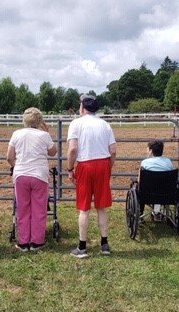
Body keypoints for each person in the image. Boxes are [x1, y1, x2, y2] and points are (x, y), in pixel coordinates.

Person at [67, 94, 116, 258]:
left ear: (82, 106)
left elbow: (73, 149)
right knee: (101, 206)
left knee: (84, 207)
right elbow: (113, 150)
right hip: (103, 164)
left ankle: (82, 247)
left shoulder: (76, 124)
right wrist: (109, 167)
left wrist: (69, 169)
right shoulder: (105, 125)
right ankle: (104, 244)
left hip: (85, 165)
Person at [6, 107, 57, 252]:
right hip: (39, 175)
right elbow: (53, 152)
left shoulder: (16, 134)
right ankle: (37, 241)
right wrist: (47, 133)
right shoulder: (43, 135)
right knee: (39, 209)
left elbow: (9, 157)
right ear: (40, 121)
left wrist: (17, 166)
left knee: (23, 208)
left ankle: (23, 242)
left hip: (21, 175)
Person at [139, 140, 174, 221]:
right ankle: (157, 213)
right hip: (166, 194)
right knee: (159, 184)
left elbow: (140, 180)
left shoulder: (144, 163)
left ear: (151, 151)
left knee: (138, 187)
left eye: (147, 149)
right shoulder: (168, 162)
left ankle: (140, 213)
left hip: (147, 194)